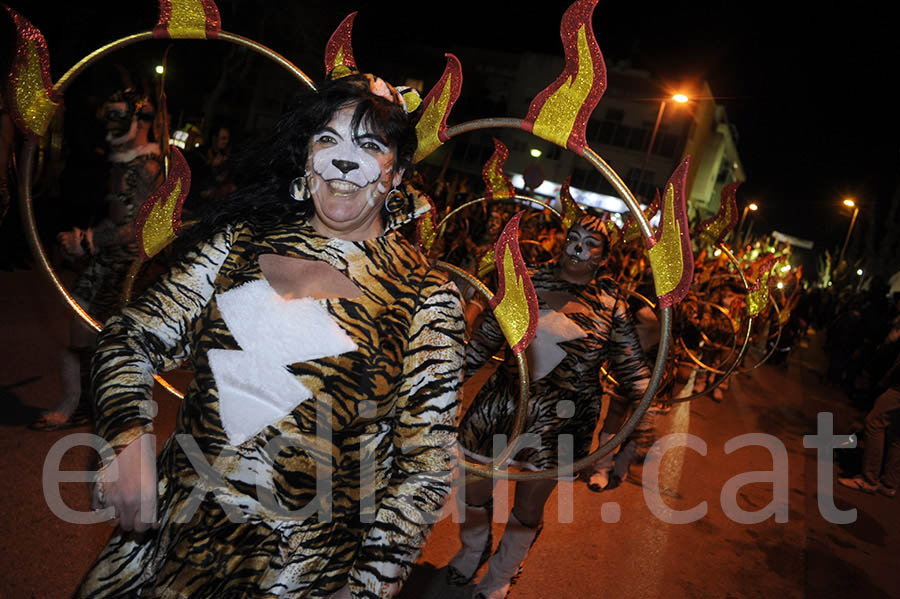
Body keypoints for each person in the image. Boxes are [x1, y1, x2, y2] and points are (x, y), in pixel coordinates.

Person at [77, 74, 466, 598]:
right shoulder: (238, 243)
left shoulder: (426, 294)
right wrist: (126, 439)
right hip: (166, 548)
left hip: (295, 577)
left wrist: (369, 585)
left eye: (370, 145)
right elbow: (129, 337)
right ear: (305, 158)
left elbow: (425, 467)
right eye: (328, 139)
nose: (345, 161)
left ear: (396, 175)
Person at [445, 214, 651, 599]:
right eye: (573, 237)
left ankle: (502, 573)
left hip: (563, 420)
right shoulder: (528, 280)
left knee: (529, 503)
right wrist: (446, 379)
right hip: (503, 404)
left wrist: (645, 406)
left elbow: (631, 367)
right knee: (473, 487)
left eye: (591, 243)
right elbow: (486, 339)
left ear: (604, 256)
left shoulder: (611, 302)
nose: (578, 247)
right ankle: (474, 549)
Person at [30, 87, 163, 430]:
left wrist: (88, 241)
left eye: (119, 116)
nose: (110, 124)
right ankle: (84, 404)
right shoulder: (127, 163)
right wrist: (84, 239)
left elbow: (135, 228)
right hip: (112, 259)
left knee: (97, 331)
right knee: (84, 327)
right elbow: (119, 220)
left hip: (127, 266)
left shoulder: (145, 167)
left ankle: (90, 406)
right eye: (109, 115)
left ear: (139, 121)